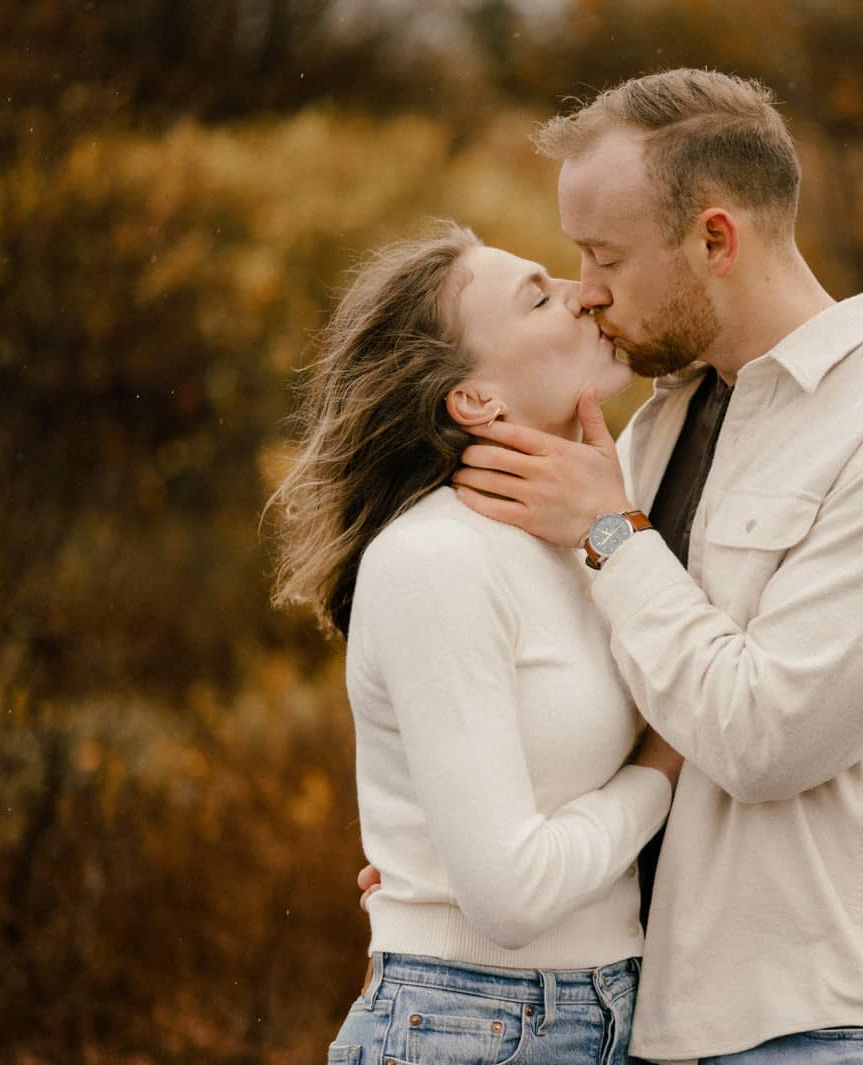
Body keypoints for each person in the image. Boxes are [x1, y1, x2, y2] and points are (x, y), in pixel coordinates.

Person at [439, 69, 863, 1065]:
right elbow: (627, 708)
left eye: (605, 257)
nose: (586, 290)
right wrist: (454, 851)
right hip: (659, 1017)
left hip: (841, 1024)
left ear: (715, 239)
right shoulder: (657, 427)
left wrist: (612, 535)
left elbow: (766, 738)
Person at [268, 220, 683, 1065]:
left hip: (602, 1011)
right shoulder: (437, 558)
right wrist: (664, 769)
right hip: (472, 1023)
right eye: (539, 297)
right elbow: (510, 895)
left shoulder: (592, 538)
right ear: (475, 401)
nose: (583, 293)